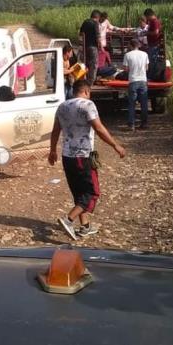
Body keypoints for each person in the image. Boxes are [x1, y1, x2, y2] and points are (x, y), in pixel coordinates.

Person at [49, 79, 125, 240]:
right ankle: (68, 219)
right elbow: (99, 128)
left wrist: (52, 150)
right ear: (86, 91)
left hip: (67, 156)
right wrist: (115, 145)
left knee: (79, 192)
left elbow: (55, 130)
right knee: (92, 192)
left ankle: (85, 227)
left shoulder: (62, 106)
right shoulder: (87, 105)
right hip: (82, 156)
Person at [122, 39, 149, 130]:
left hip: (133, 81)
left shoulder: (127, 55)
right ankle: (144, 123)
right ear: (138, 45)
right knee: (144, 104)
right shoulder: (145, 54)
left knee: (132, 104)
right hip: (143, 81)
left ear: (130, 45)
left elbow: (125, 69)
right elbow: (146, 68)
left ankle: (131, 125)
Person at [79, 10, 101, 84]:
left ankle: (85, 80)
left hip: (85, 47)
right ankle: (91, 82)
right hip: (93, 47)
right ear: (97, 17)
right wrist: (101, 47)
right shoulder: (95, 23)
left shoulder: (85, 22)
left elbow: (80, 34)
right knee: (94, 65)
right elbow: (98, 37)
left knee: (86, 64)